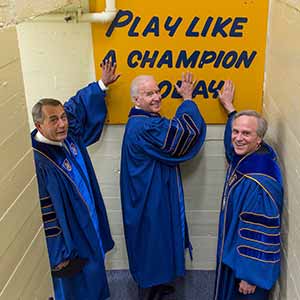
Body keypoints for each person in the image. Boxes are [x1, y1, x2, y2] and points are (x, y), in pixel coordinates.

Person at [31, 60, 120, 300]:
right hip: (71, 241)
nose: (62, 123)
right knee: (77, 289)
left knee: (95, 279)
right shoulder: (38, 162)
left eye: (62, 117)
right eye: (54, 120)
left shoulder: (69, 136)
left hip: (89, 225)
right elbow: (45, 217)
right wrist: (58, 255)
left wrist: (102, 84)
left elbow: (76, 106)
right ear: (39, 125)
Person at [120, 72, 207, 299]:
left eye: (157, 91)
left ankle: (157, 284)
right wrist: (187, 100)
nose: (157, 97)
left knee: (156, 239)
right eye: (149, 94)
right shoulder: (143, 126)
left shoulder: (144, 120)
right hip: (149, 197)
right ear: (136, 100)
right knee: (153, 240)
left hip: (151, 191)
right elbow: (184, 134)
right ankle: (150, 290)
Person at [214, 81, 284, 300]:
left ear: (259, 139)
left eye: (246, 133)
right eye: (235, 131)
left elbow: (259, 232)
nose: (237, 137)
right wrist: (230, 110)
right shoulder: (254, 155)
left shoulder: (258, 183)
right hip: (236, 260)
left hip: (246, 271)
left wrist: (249, 276)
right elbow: (232, 148)